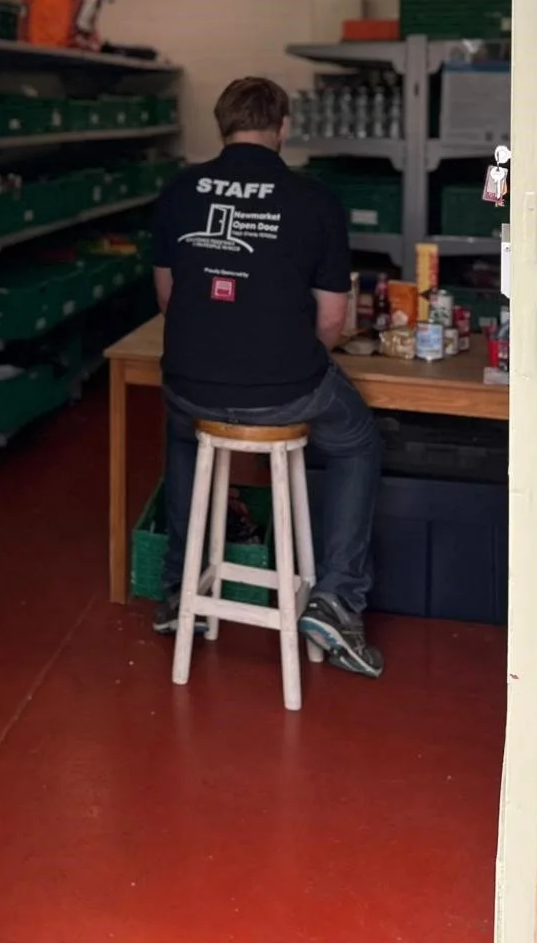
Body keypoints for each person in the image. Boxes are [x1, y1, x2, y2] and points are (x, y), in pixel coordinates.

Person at [149, 75, 384, 678]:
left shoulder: (178, 191)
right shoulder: (314, 199)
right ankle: (337, 601)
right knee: (358, 441)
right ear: (283, 127)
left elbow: (170, 299)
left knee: (184, 431)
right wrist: (280, 355)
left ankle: (181, 591)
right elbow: (332, 318)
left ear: (220, 124)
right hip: (287, 391)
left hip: (188, 384)